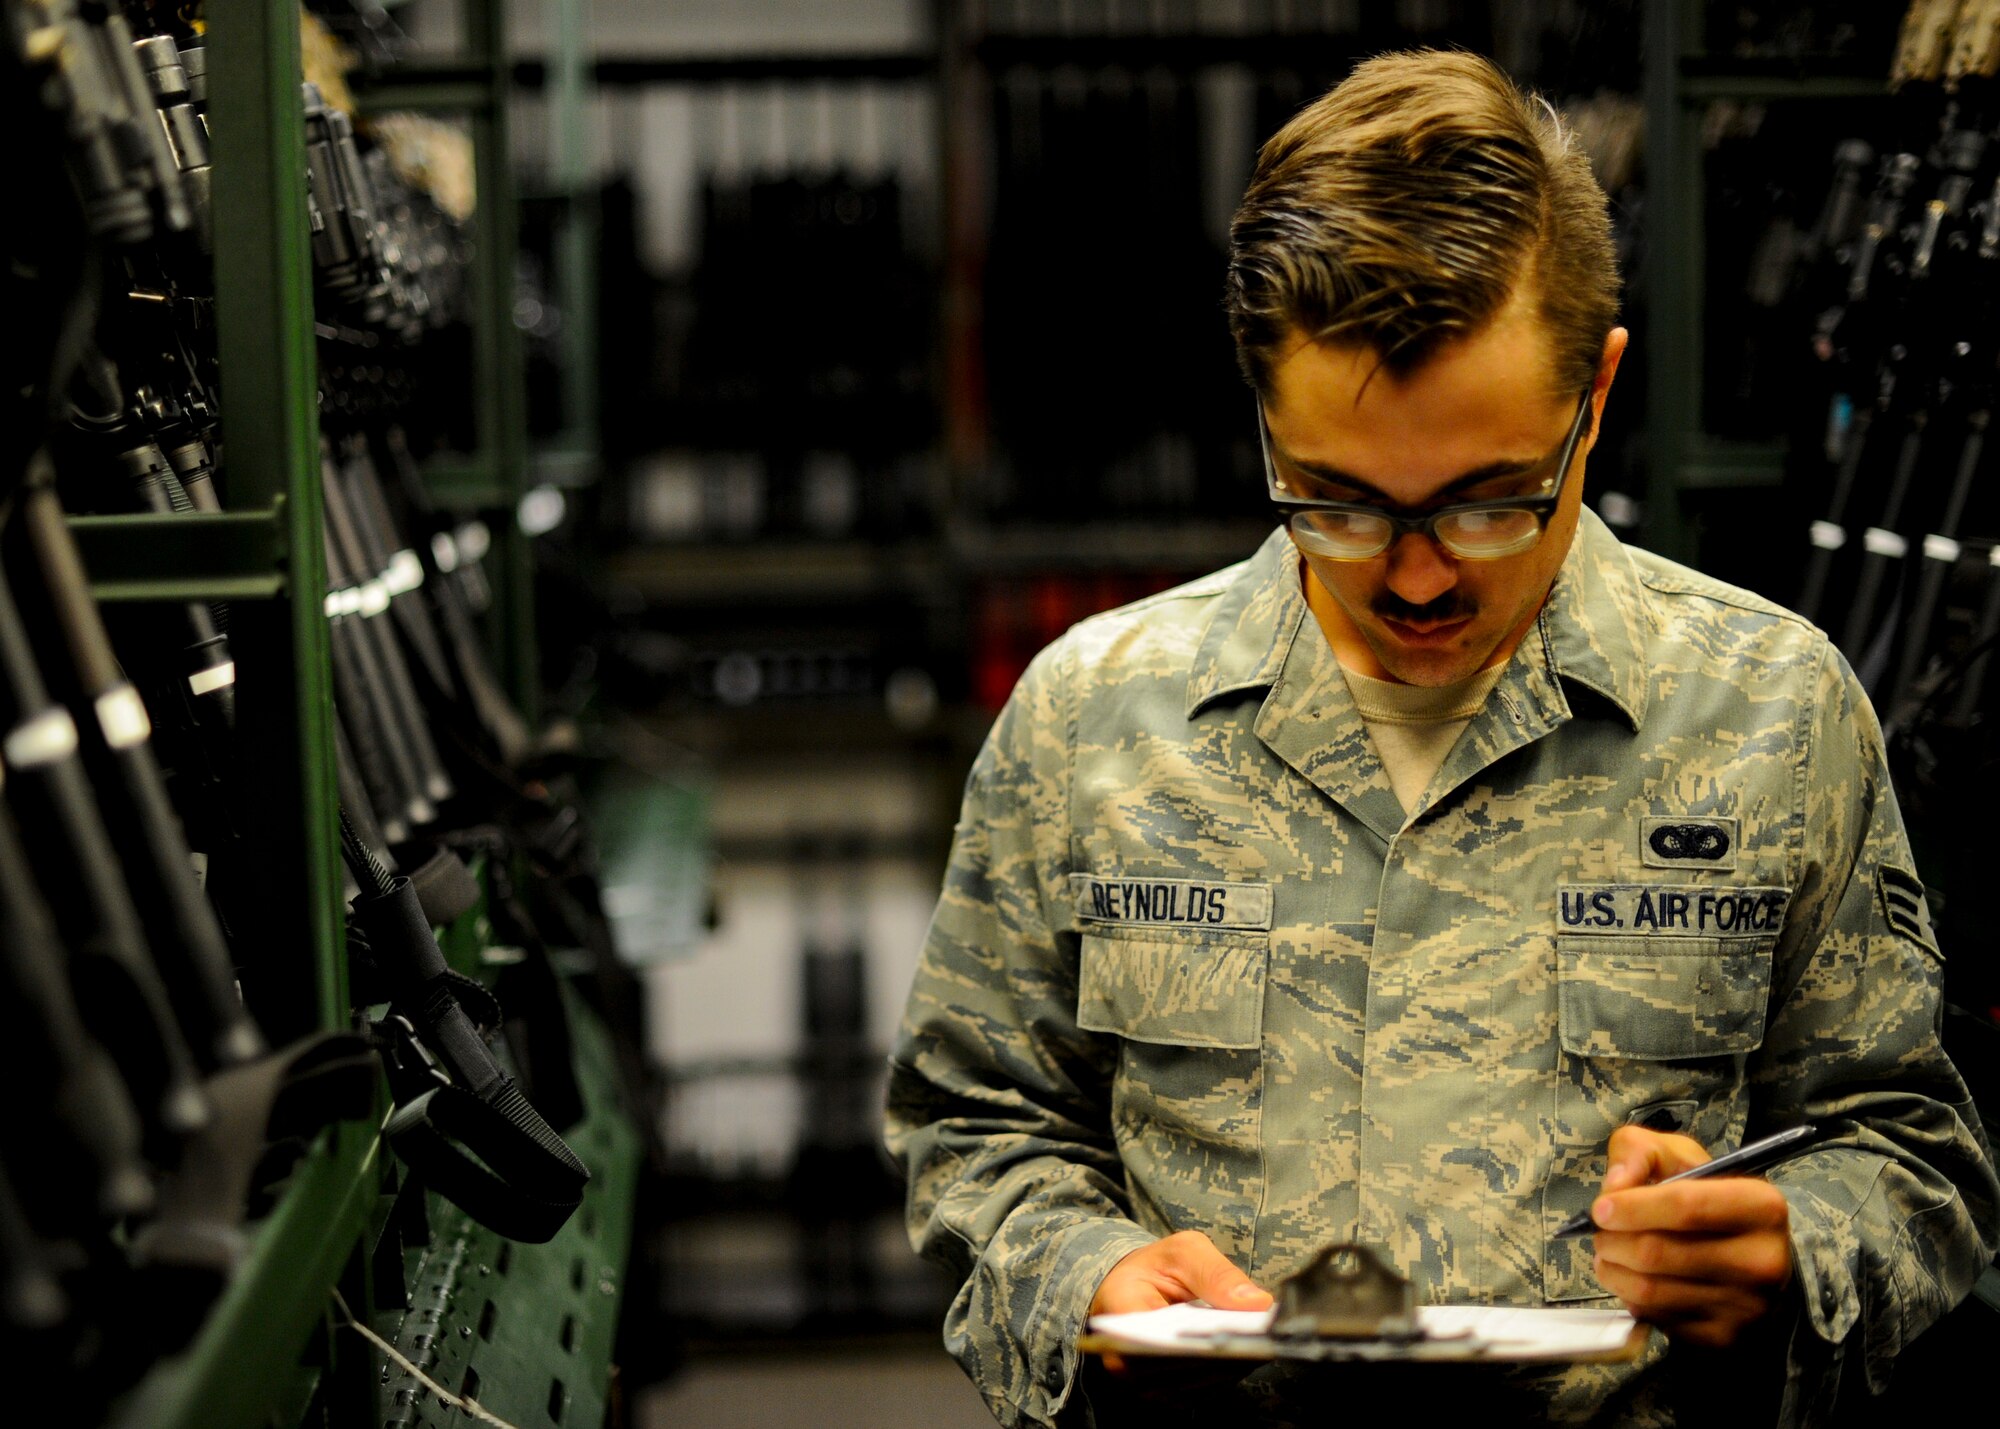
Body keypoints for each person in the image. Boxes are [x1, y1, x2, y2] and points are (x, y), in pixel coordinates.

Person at [884, 50, 1997, 1427]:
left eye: (1487, 502)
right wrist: (1084, 1268)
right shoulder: (1093, 721)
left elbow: (1914, 1153)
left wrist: (1793, 1246)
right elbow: (975, 1124)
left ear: (1599, 391)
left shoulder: (1773, 710)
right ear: (1262, 415)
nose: (1415, 577)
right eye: (1336, 502)